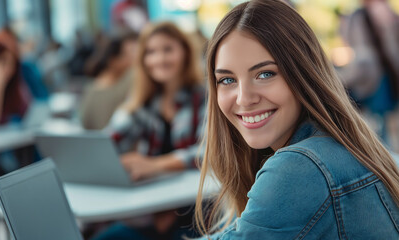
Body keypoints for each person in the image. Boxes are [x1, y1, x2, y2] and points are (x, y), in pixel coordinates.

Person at [194, 0, 399, 239]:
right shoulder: (339, 146)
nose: (244, 98)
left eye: (265, 74)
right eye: (227, 80)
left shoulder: (300, 166)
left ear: (303, 74)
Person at [93, 22, 205, 240]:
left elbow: (209, 153)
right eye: (151, 52)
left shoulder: (203, 96)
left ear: (185, 52)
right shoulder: (142, 103)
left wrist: (154, 165)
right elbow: (108, 139)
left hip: (197, 212)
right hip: (152, 211)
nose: (159, 59)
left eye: (168, 49)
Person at [337, 0, 399, 140]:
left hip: (384, 76)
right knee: (380, 124)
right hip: (375, 77)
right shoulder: (358, 17)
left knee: (382, 124)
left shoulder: (385, 16)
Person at [80, 32, 138, 130]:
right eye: (131, 53)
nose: (135, 58)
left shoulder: (91, 88)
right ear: (114, 60)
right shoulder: (129, 80)